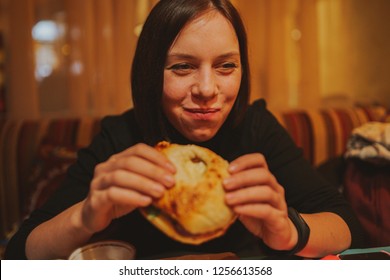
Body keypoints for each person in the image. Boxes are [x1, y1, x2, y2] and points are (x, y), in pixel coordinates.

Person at [5, 0, 365, 260]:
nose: (207, 89)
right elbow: (22, 252)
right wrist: (86, 215)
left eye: (226, 65)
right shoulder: (122, 138)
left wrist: (289, 230)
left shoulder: (254, 128)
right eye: (182, 67)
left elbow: (345, 223)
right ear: (150, 72)